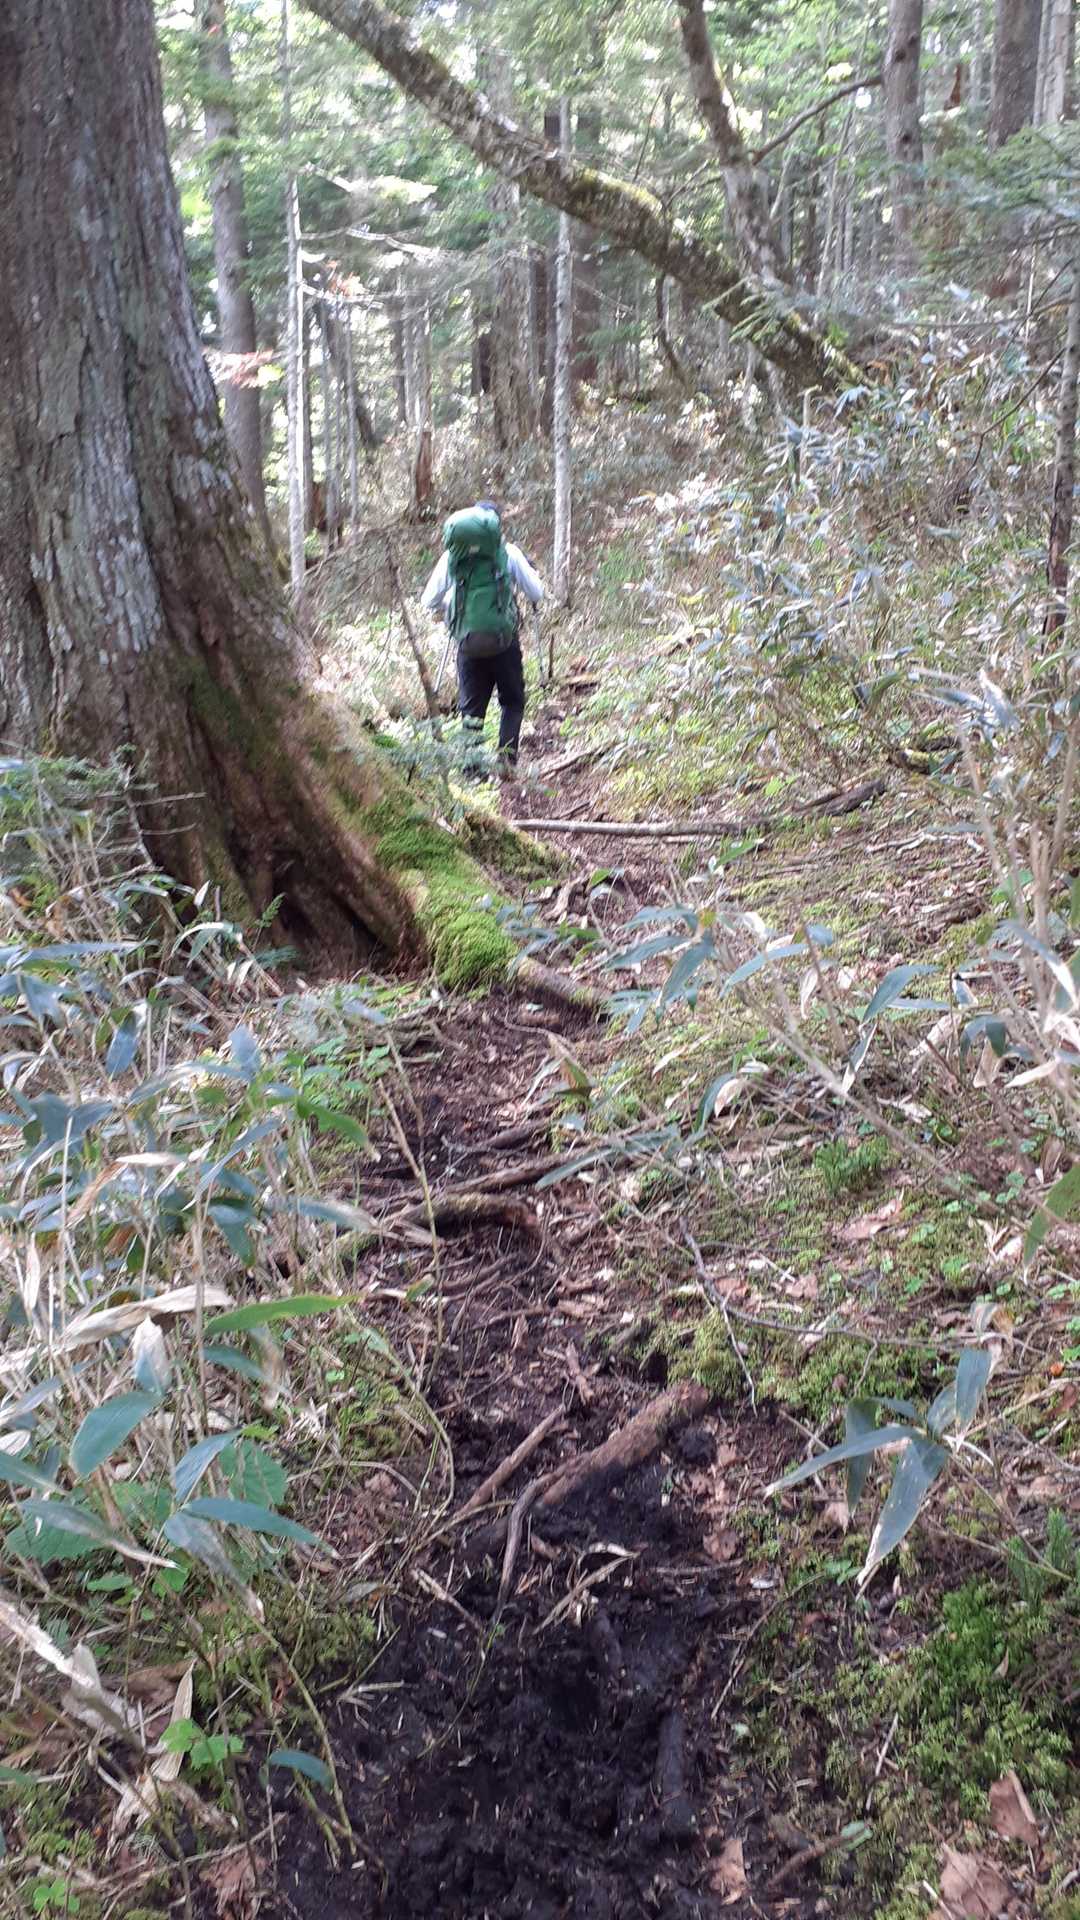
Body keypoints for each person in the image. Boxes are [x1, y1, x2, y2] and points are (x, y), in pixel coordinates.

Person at [420, 499, 544, 775]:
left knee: (471, 709)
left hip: (467, 643)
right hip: (503, 641)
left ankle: (472, 773)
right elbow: (536, 592)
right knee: (512, 701)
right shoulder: (508, 553)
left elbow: (429, 600)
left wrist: (455, 604)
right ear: (496, 526)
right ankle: (506, 763)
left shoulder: (452, 557)